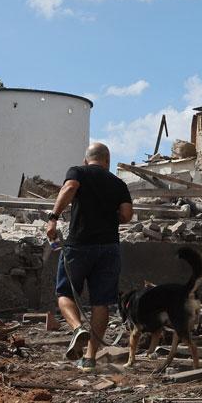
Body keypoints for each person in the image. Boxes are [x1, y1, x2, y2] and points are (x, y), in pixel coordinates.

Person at [46, 142, 133, 372]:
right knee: (100, 302)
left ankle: (77, 329)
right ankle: (90, 358)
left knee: (64, 293)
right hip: (109, 248)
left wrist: (54, 217)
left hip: (79, 246)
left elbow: (70, 187)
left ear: (87, 160)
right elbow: (126, 215)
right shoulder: (118, 183)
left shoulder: (78, 172)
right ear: (108, 160)